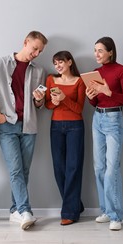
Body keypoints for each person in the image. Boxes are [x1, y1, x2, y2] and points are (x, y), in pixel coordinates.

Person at [0, 31, 48, 230]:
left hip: (29, 125)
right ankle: (25, 210)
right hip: (7, 125)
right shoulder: (1, 63)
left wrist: (39, 99)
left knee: (24, 170)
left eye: (40, 50)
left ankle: (15, 210)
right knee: (15, 170)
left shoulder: (39, 70)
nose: (36, 53)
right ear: (25, 42)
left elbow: (40, 103)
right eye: (34, 48)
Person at [85, 37, 123, 231]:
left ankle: (116, 215)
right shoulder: (95, 72)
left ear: (110, 52)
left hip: (114, 120)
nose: (96, 54)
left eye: (100, 50)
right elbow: (97, 103)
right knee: (99, 167)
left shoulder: (121, 70)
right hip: (97, 118)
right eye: (95, 50)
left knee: (112, 168)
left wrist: (109, 91)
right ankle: (106, 210)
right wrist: (91, 98)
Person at [45, 51, 86, 226]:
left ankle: (69, 212)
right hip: (56, 126)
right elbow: (47, 104)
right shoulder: (50, 80)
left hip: (75, 126)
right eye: (55, 63)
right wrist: (53, 103)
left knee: (73, 167)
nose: (58, 66)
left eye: (61, 62)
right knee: (59, 168)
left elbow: (79, 109)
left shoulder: (80, 81)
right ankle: (75, 204)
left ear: (69, 62)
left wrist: (64, 99)